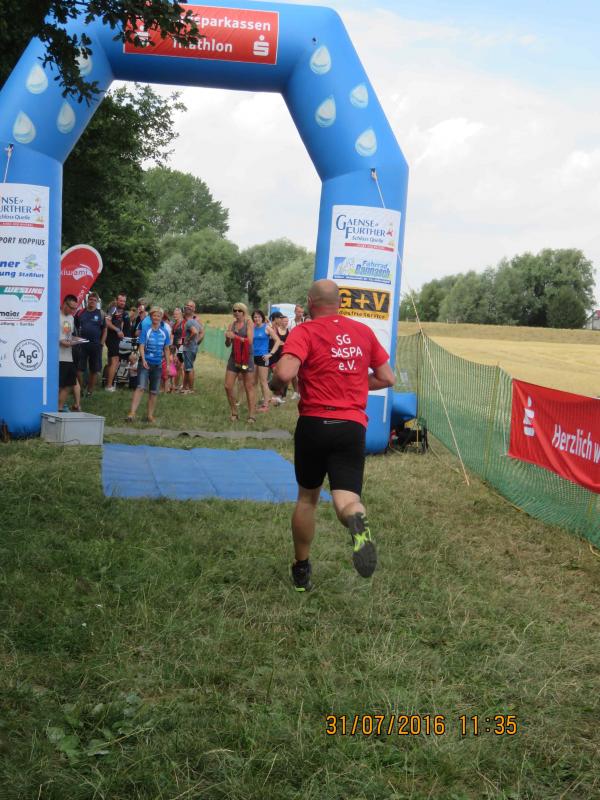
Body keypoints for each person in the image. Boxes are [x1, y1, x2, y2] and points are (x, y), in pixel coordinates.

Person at [273, 279, 395, 591]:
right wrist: (354, 384)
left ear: (310, 302)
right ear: (339, 302)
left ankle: (301, 569)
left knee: (307, 498)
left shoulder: (305, 331)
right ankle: (356, 520)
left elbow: (285, 373)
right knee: (347, 499)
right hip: (351, 427)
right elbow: (387, 377)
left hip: (315, 423)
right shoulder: (363, 332)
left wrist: (275, 384)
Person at [126, 306, 171, 423]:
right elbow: (141, 346)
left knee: (154, 391)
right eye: (154, 315)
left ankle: (150, 416)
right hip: (145, 363)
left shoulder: (165, 331)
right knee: (141, 387)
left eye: (158, 316)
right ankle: (132, 413)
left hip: (158, 365)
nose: (156, 318)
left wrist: (168, 365)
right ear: (151, 317)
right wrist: (143, 359)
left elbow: (166, 349)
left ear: (161, 317)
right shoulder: (146, 329)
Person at [224, 302, 256, 423]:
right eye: (235, 310)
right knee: (228, 386)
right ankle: (234, 412)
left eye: (239, 310)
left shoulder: (249, 323)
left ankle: (252, 415)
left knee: (248, 386)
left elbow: (250, 341)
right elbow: (227, 345)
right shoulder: (231, 324)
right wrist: (227, 337)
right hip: (234, 358)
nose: (237, 312)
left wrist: (235, 337)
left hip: (246, 357)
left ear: (244, 312)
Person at [74, 292, 106, 397]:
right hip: (81, 345)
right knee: (79, 369)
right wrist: (76, 340)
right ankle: (80, 388)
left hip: (95, 345)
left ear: (97, 302)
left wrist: (101, 344)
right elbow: (75, 328)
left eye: (94, 300)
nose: (92, 302)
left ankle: (90, 391)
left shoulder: (100, 314)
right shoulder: (80, 313)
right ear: (87, 300)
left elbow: (105, 330)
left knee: (94, 370)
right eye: (91, 299)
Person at [105, 292, 131, 391]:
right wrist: (117, 330)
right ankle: (109, 386)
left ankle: (106, 383)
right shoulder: (113, 309)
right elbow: (107, 322)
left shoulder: (123, 312)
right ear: (116, 300)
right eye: (120, 300)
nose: (122, 302)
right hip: (111, 337)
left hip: (118, 339)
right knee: (115, 360)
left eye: (124, 301)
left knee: (112, 361)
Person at [58, 294, 80, 411]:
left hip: (68, 356)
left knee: (69, 384)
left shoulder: (71, 318)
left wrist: (75, 339)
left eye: (75, 308)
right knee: (59, 385)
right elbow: (61, 341)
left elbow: (67, 335)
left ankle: (60, 408)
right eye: (71, 308)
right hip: (58, 356)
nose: (73, 311)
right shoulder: (56, 316)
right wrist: (73, 342)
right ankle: (54, 407)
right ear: (64, 304)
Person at [252, 309, 273, 410]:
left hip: (263, 357)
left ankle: (265, 405)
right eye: (255, 317)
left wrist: (270, 354)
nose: (257, 319)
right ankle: (253, 403)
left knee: (263, 381)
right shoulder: (252, 328)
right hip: (253, 356)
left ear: (262, 318)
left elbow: (277, 341)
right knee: (253, 382)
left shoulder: (267, 328)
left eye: (259, 317)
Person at [181, 306, 204, 393]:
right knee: (187, 368)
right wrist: (196, 342)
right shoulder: (196, 322)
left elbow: (194, 332)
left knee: (189, 368)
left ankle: (190, 389)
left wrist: (187, 340)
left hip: (189, 348)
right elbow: (201, 332)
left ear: (185, 313)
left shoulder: (189, 322)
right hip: (193, 347)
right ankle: (184, 388)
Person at [288, 304, 305, 399]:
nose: (300, 314)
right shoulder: (290, 323)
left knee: (303, 372)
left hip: (304, 349)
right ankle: (296, 391)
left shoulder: (305, 322)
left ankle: (302, 392)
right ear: (295, 312)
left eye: (302, 312)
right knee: (293, 372)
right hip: (293, 349)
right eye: (299, 312)